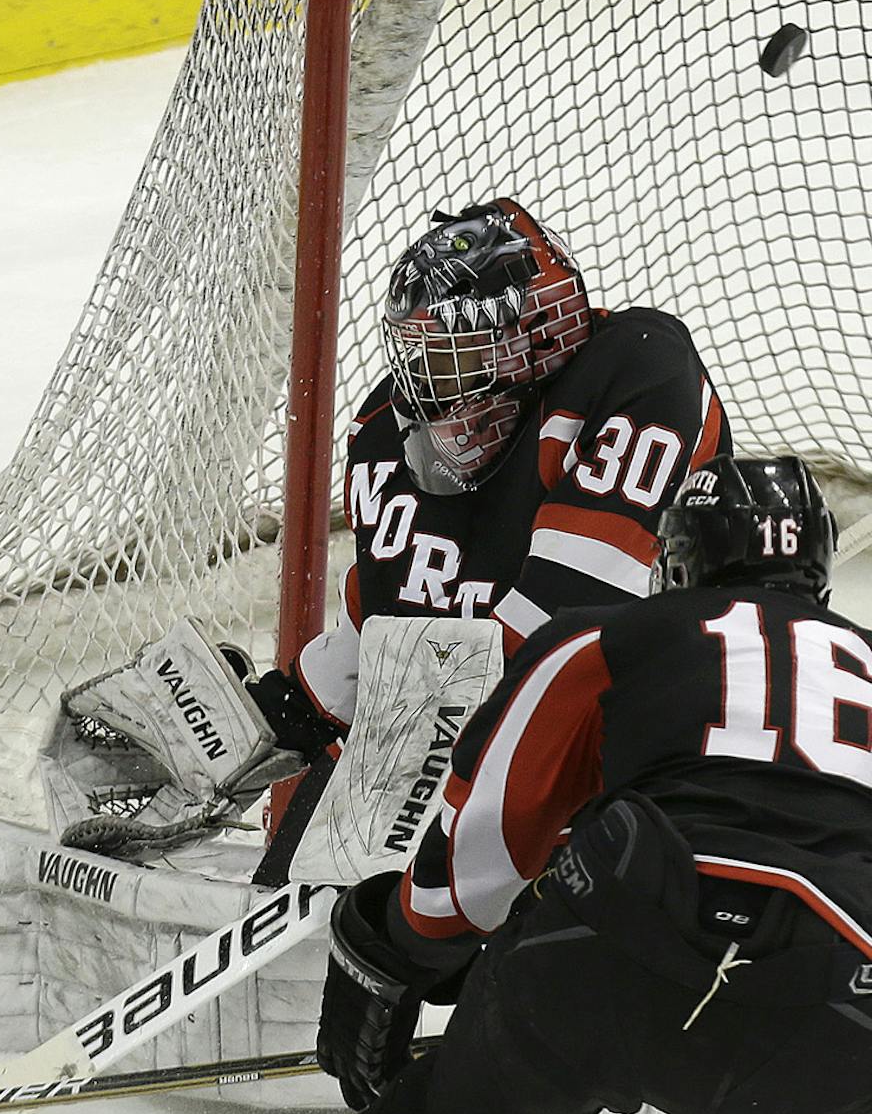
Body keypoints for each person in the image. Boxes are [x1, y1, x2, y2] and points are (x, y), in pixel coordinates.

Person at [124, 456, 872, 1114]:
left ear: (681, 562)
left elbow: (471, 869)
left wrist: (392, 954)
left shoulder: (613, 636)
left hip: (618, 948)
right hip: (834, 996)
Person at [249, 198, 728, 875]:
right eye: (418, 361)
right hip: (442, 745)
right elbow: (390, 632)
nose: (424, 390)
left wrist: (410, 744)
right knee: (286, 903)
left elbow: (567, 628)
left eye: (448, 361)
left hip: (610, 748)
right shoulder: (387, 433)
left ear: (529, 341)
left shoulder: (639, 371)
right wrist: (270, 715)